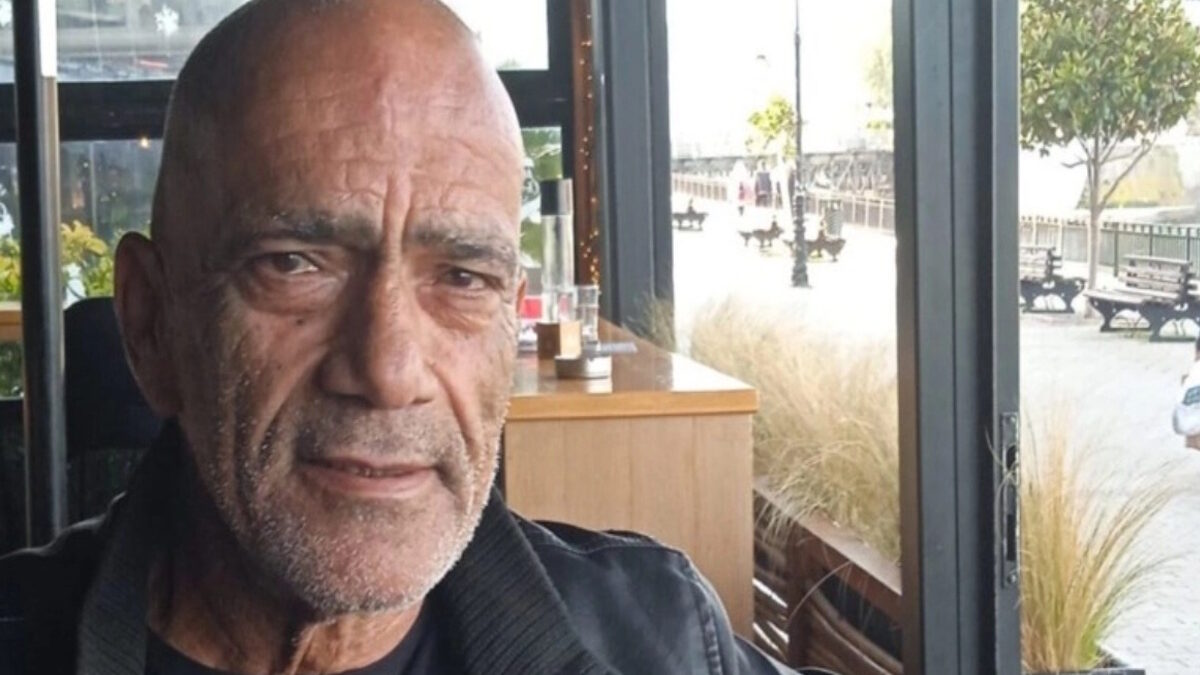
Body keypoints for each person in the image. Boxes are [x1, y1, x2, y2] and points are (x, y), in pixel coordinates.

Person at [0, 1, 800, 673]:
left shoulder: (661, 640)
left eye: (463, 277)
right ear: (150, 321)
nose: (388, 370)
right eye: (295, 263)